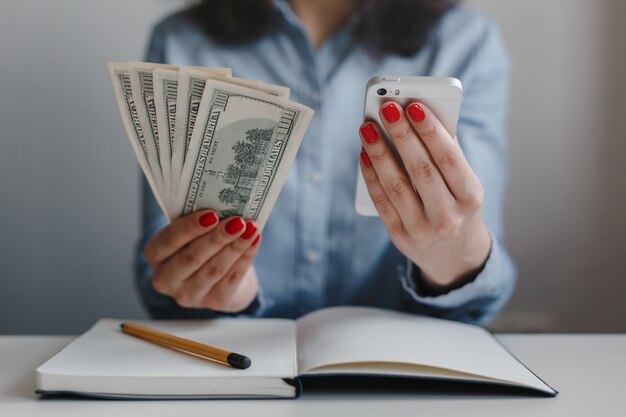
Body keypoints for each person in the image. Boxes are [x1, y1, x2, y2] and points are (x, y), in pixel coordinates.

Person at [136, 0, 517, 324]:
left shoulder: (467, 43)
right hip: (240, 370)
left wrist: (456, 259)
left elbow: (479, 303)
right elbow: (158, 273)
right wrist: (215, 287)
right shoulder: (180, 41)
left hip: (402, 384)